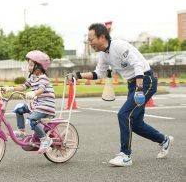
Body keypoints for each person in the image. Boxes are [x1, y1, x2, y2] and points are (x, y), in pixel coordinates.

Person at [67, 23, 174, 166]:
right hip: (133, 84)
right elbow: (99, 73)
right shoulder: (104, 55)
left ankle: (125, 155)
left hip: (145, 81)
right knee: (135, 124)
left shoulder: (117, 46)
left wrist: (139, 88)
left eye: (91, 39)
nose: (89, 42)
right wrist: (78, 75)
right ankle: (164, 140)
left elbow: (137, 64)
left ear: (102, 37)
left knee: (123, 114)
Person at [2, 50, 55, 154]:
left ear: (39, 67)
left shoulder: (43, 78)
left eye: (31, 65)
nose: (29, 67)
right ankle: (21, 132)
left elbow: (41, 89)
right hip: (36, 104)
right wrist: (10, 89)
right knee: (19, 109)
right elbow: (24, 86)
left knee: (32, 120)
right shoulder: (32, 77)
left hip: (45, 106)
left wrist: (34, 93)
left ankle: (45, 140)